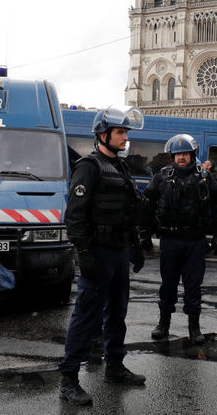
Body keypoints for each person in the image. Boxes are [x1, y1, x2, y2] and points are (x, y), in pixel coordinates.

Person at [58, 107, 147, 405]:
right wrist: (83, 253)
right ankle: (68, 380)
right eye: (120, 132)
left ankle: (115, 367)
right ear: (103, 135)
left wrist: (135, 244)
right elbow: (75, 215)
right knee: (86, 316)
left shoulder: (121, 167)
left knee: (118, 312)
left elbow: (127, 210)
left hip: (119, 251)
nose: (125, 137)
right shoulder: (89, 166)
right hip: (97, 251)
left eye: (125, 132)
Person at [143, 134, 217, 345]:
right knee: (168, 285)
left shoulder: (204, 177)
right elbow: (147, 202)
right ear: (172, 155)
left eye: (185, 153)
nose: (181, 157)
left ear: (192, 155)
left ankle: (194, 328)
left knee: (193, 286)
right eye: (177, 154)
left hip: (195, 240)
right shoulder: (162, 176)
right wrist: (145, 233)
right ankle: (163, 324)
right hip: (170, 239)